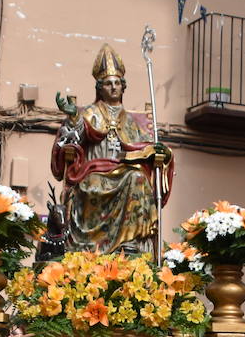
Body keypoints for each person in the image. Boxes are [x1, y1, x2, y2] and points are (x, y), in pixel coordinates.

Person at [51, 43, 173, 254]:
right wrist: (73, 120)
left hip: (125, 171)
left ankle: (131, 243)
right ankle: (92, 248)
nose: (114, 87)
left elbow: (145, 146)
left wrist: (160, 152)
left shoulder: (133, 121)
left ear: (123, 86)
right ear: (100, 87)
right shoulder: (88, 113)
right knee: (91, 184)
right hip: (95, 172)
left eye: (117, 83)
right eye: (108, 83)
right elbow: (71, 142)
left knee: (137, 180)